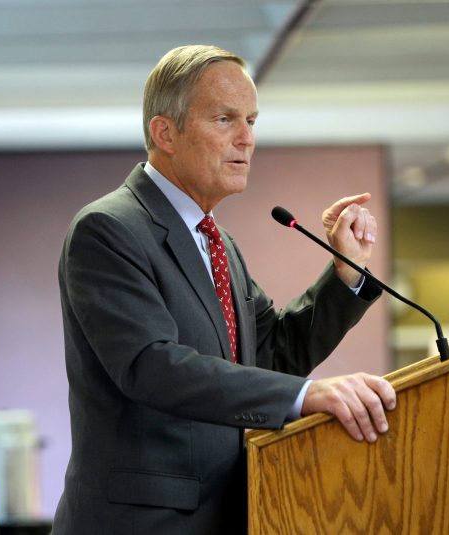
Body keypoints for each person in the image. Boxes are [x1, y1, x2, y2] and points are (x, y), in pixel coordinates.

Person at [52, 45, 396, 534]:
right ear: (165, 133)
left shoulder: (216, 242)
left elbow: (272, 352)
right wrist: (305, 395)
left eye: (251, 121)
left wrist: (346, 271)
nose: (246, 138)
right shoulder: (108, 229)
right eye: (224, 119)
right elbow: (152, 366)